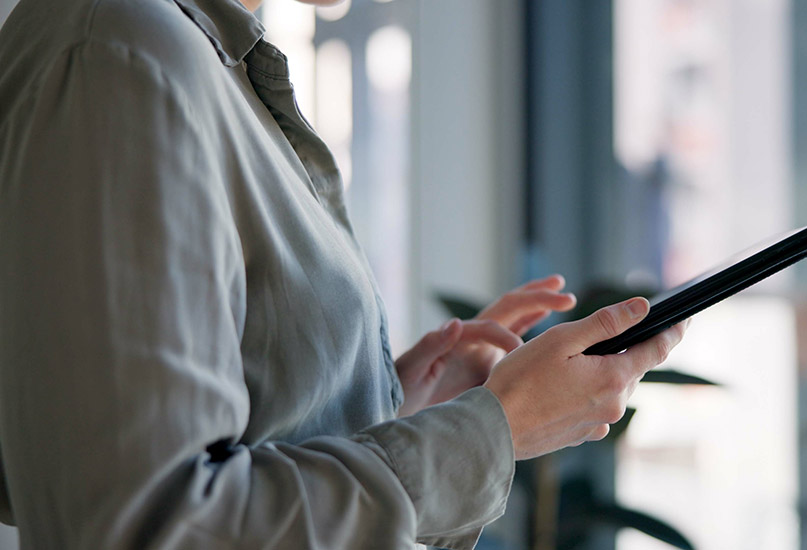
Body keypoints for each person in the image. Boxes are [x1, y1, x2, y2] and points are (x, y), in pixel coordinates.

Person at [0, 0, 688, 547]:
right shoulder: (120, 56)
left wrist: (385, 407)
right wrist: (492, 430)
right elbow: (146, 528)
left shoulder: (189, 57)